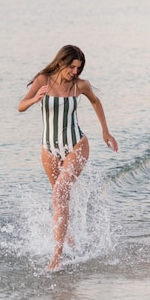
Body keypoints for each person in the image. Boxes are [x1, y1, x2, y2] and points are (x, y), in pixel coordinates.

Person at [18, 45, 118, 271]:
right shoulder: (43, 80)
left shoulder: (80, 86)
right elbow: (20, 106)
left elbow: (95, 101)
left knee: (60, 193)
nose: (75, 71)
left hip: (76, 145)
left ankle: (57, 256)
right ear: (61, 62)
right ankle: (70, 240)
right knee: (60, 198)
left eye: (79, 68)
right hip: (49, 149)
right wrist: (35, 99)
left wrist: (105, 131)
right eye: (72, 66)